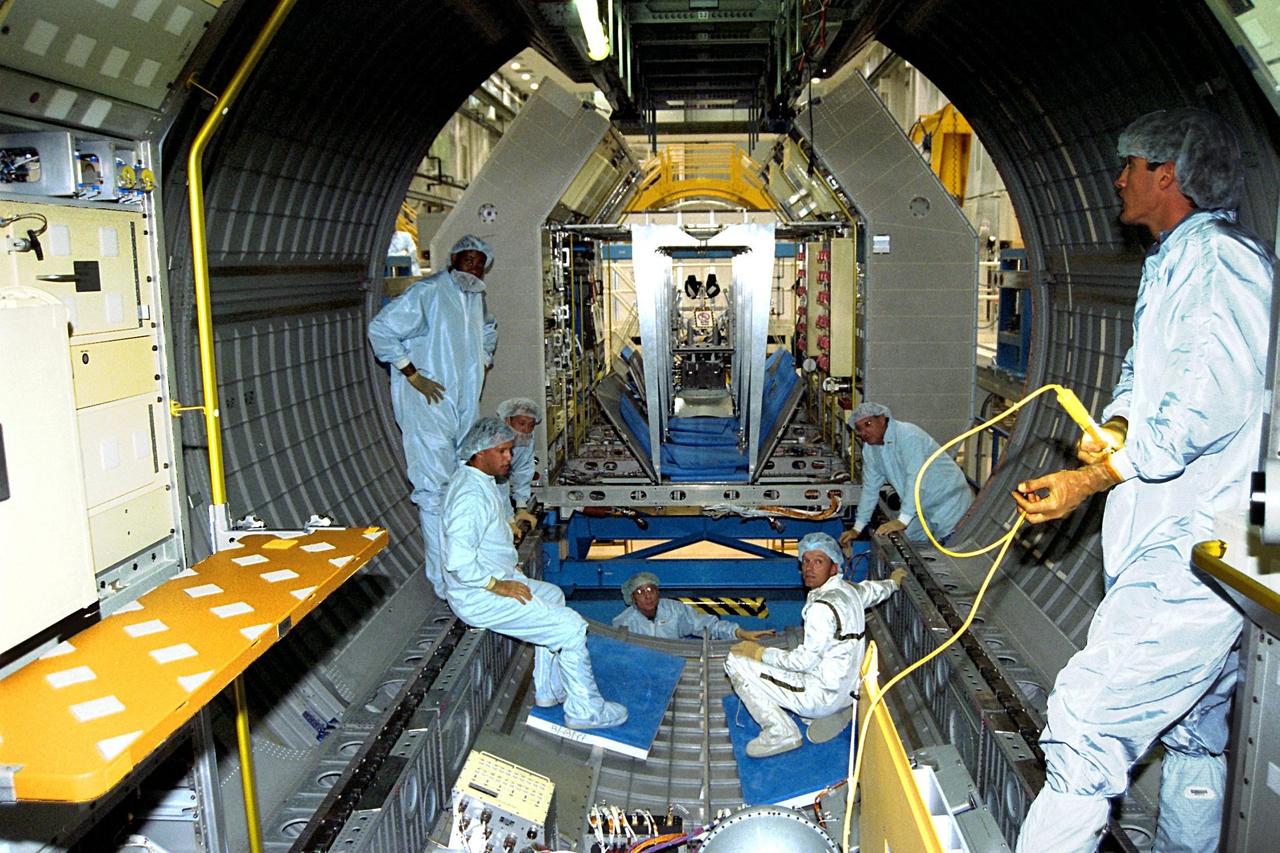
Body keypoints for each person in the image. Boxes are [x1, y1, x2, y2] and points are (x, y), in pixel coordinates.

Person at [1011, 109, 1272, 853]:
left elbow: (1199, 410)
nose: (1117, 178)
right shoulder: (1179, 262)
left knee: (1087, 723)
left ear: (1169, 174)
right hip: (1217, 527)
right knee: (1193, 729)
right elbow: (1144, 381)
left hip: (1212, 531)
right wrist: (1115, 431)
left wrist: (1086, 481)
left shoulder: (1219, 264)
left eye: (1129, 164)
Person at [442, 417, 628, 730]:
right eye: (501, 451)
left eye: (509, 451)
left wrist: (505, 562)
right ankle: (585, 711)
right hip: (478, 595)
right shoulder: (469, 497)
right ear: (479, 453)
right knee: (571, 628)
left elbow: (484, 539)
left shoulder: (478, 482)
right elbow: (458, 561)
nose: (508, 458)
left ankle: (548, 689)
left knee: (553, 595)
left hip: (491, 579)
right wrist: (496, 584)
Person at [367, 235, 498, 599]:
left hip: (460, 404)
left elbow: (488, 330)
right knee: (434, 492)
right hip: (427, 405)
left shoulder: (474, 298)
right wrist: (412, 374)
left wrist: (483, 360)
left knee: (457, 484)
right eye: (468, 259)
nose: (473, 267)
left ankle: (462, 567)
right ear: (453, 259)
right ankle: (445, 582)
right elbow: (381, 329)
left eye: (479, 262)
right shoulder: (427, 293)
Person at [724, 533, 906, 757]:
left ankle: (780, 732)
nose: (809, 568)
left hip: (820, 695)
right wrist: (895, 583)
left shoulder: (821, 608)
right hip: (847, 691)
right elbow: (875, 591)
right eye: (806, 561)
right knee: (789, 660)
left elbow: (802, 661)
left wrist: (760, 652)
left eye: (818, 561)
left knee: (735, 662)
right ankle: (818, 714)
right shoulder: (849, 591)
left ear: (834, 567)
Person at [839, 402, 972, 548]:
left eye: (868, 424)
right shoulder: (871, 450)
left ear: (882, 419)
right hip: (918, 506)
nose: (864, 432)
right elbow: (870, 488)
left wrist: (902, 520)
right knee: (903, 546)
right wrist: (857, 528)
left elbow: (915, 477)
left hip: (948, 502)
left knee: (948, 549)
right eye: (859, 428)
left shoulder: (908, 436)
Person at [611, 571, 778, 641]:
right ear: (632, 597)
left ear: (658, 591)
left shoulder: (674, 610)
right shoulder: (623, 622)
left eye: (651, 589)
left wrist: (739, 632)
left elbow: (706, 625)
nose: (647, 596)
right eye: (640, 592)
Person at [497, 397, 542, 533]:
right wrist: (509, 518)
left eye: (531, 425)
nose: (526, 430)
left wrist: (521, 506)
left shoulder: (526, 439)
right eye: (521, 423)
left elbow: (523, 469)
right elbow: (499, 483)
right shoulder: (495, 440)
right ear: (507, 420)